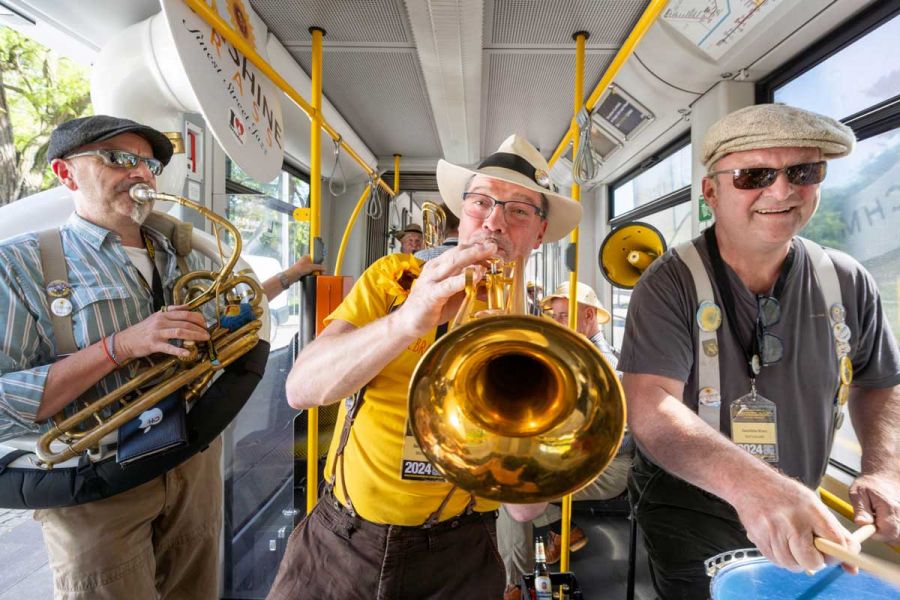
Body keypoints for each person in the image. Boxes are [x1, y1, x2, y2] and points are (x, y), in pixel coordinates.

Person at [268, 134, 582, 599]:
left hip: (459, 552)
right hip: (342, 540)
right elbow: (302, 388)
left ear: (539, 232)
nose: (494, 220)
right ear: (464, 212)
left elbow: (523, 510)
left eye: (517, 210)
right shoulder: (395, 277)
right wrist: (409, 320)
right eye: (482, 202)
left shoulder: (540, 341)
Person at [620, 103, 900, 599]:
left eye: (803, 172)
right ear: (711, 192)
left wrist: (882, 469)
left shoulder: (849, 281)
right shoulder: (667, 284)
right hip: (691, 510)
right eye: (754, 175)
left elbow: (878, 383)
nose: (782, 190)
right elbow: (650, 407)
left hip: (795, 505)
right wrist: (753, 486)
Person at [498, 282, 632, 597]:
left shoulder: (607, 364)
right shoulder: (571, 357)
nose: (555, 323)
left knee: (514, 494)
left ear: (588, 315)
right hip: (582, 459)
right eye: (554, 315)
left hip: (609, 467)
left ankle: (514, 585)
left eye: (562, 316)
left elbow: (619, 439)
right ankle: (557, 529)